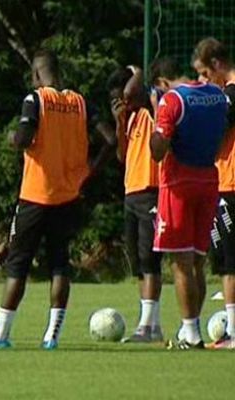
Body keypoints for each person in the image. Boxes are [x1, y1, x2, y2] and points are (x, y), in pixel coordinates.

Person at [0, 50, 115, 350]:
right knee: (60, 264)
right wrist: (88, 172)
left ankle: (1, 335)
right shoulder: (80, 103)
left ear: (36, 75)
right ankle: (52, 336)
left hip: (35, 195)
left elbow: (22, 138)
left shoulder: (36, 100)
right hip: (68, 195)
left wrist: (11, 139)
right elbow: (112, 139)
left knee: (18, 265)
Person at [149, 57, 228, 350]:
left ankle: (190, 333)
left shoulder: (171, 100)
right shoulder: (216, 95)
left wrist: (155, 112)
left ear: (161, 83)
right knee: (197, 261)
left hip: (178, 185)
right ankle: (191, 329)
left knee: (180, 262)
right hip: (208, 179)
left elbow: (158, 151)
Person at [106, 66, 163, 343]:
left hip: (152, 191)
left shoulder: (153, 109)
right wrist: (118, 123)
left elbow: (133, 89)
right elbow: (121, 155)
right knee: (138, 262)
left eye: (124, 97)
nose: (122, 102)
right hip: (131, 192)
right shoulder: (129, 119)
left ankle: (147, 326)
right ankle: (151, 324)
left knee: (150, 259)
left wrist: (136, 70)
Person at [192, 37, 235, 349]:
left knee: (229, 261)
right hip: (225, 181)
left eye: (204, 74)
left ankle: (233, 333)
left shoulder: (231, 93)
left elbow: (216, 129)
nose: (201, 81)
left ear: (218, 65)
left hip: (230, 183)